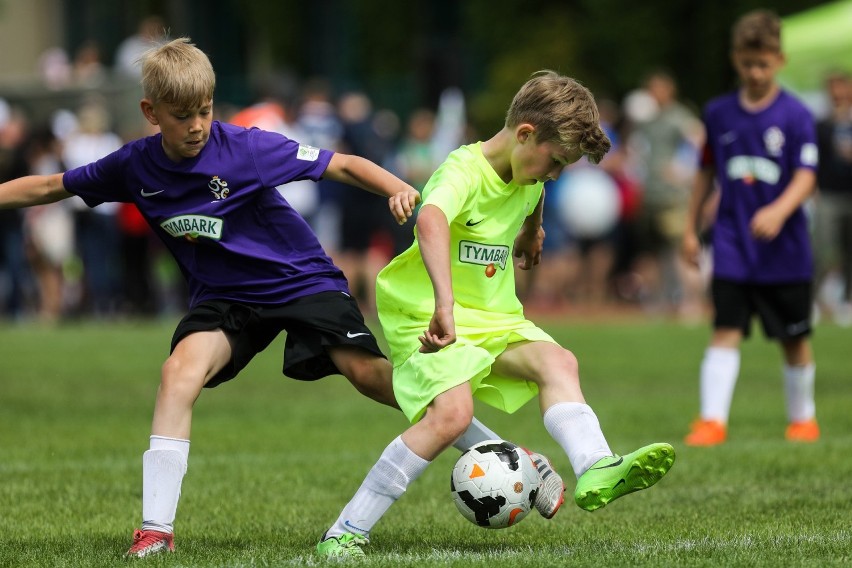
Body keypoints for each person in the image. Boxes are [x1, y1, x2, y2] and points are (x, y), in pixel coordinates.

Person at [0, 38, 558, 558]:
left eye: (206, 110)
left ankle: (509, 455)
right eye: (182, 116)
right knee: (177, 374)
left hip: (301, 281)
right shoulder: (134, 165)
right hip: (224, 299)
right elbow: (51, 186)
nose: (197, 126)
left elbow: (337, 163)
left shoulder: (244, 147)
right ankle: (155, 532)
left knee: (373, 378)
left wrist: (396, 187)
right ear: (151, 114)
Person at [316, 71, 676, 558]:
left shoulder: (529, 174)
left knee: (559, 362)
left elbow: (534, 195)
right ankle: (346, 531)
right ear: (525, 133)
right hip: (425, 310)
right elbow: (431, 218)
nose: (554, 174)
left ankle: (596, 465)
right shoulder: (463, 170)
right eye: (556, 162)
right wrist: (443, 304)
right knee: (451, 415)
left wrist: (533, 232)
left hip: (492, 314)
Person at [681, 10, 820, 447]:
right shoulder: (719, 113)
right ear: (735, 60)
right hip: (732, 245)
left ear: (780, 59)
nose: (755, 72)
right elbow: (705, 173)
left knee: (794, 340)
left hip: (786, 251)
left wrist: (779, 210)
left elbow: (807, 174)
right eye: (747, 63)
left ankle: (803, 419)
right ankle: (711, 421)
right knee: (724, 329)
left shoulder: (797, 115)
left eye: (763, 63)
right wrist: (690, 228)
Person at [814, 71, 852, 325]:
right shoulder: (821, 125)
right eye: (833, 89)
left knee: (850, 251)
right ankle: (812, 300)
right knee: (820, 249)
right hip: (827, 195)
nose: (837, 94)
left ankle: (847, 302)